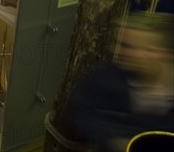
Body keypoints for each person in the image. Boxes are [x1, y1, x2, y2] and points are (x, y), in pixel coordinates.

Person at [67, 11, 174, 152]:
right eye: (119, 44)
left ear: (159, 53)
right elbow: (83, 114)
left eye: (128, 46)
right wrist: (114, 141)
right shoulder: (106, 78)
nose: (118, 52)